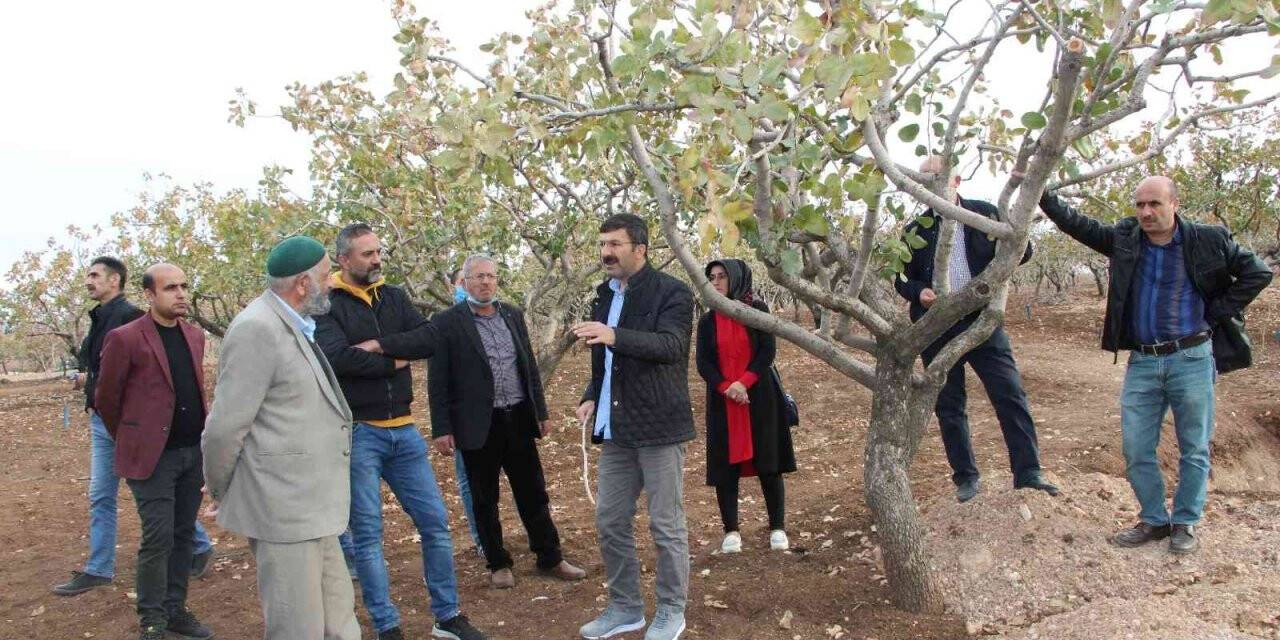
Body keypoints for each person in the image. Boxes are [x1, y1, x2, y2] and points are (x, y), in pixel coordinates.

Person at [1032, 174, 1273, 553]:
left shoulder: (1208, 239)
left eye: (1154, 204)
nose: (1146, 212)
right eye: (1140, 205)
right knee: (1136, 447)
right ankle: (1155, 520)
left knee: (1194, 446)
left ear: (1174, 204)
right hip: (1143, 361)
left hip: (1192, 357)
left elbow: (1258, 272)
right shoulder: (1126, 240)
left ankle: (1186, 522)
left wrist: (1216, 313)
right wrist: (1041, 193)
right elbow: (1078, 225)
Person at [314, 224, 487, 640]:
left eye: (378, 252)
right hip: (359, 432)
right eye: (367, 254)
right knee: (369, 535)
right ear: (344, 260)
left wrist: (377, 346)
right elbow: (336, 360)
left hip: (404, 430)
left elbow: (429, 338)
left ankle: (447, 616)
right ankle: (387, 626)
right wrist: (395, 357)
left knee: (436, 524)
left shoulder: (392, 295)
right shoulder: (326, 305)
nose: (376, 260)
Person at [202, 236, 360, 640]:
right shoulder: (256, 328)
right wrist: (222, 488)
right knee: (297, 626)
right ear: (303, 284)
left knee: (338, 621)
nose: (333, 283)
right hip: (282, 509)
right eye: (327, 276)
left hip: (314, 505)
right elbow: (224, 428)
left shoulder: (294, 323)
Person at [893, 157, 1059, 503]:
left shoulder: (983, 214)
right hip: (936, 327)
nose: (929, 186)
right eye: (923, 181)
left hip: (982, 323)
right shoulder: (915, 231)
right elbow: (902, 278)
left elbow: (1020, 250)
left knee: (1009, 393)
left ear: (955, 181)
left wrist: (1016, 240)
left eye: (936, 179)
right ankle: (966, 478)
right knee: (949, 405)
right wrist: (918, 291)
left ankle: (1028, 471)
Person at [53, 256, 214, 597]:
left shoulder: (134, 319)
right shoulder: (100, 320)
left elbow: (162, 384)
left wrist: (132, 431)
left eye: (95, 275)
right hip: (118, 425)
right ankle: (101, 569)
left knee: (162, 518)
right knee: (108, 497)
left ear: (116, 281)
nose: (89, 281)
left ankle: (194, 551)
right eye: (173, 287)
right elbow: (104, 385)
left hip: (145, 432)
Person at [428, 254, 587, 589]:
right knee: (484, 498)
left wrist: (540, 412)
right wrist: (442, 428)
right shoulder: (448, 323)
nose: (486, 282)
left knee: (533, 492)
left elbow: (528, 367)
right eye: (478, 277)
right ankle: (498, 561)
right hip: (476, 424)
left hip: (516, 417)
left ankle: (550, 556)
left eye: (491, 276)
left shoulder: (512, 315)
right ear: (465, 282)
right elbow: (437, 380)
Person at [573, 213, 694, 640]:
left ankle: (671, 610)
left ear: (640, 249)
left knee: (666, 524)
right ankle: (625, 608)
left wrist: (613, 335)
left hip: (660, 427)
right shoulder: (602, 295)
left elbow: (672, 346)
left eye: (615, 244)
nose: (606, 252)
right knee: (609, 520)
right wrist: (592, 393)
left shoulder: (673, 293)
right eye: (602, 243)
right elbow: (605, 360)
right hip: (618, 427)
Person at [95, 264, 212, 640]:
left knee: (182, 535)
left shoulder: (194, 336)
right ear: (149, 294)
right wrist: (133, 438)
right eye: (170, 288)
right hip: (152, 458)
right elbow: (107, 400)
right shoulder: (125, 338)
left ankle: (176, 609)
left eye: (184, 286)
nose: (180, 294)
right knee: (158, 537)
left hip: (192, 453)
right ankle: (152, 619)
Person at [695, 259, 796, 554]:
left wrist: (744, 383)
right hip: (724, 401)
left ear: (737, 278)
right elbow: (703, 363)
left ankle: (777, 526)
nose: (715, 282)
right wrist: (727, 387)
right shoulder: (707, 321)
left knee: (769, 462)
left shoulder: (757, 311)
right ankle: (731, 531)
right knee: (726, 466)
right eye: (711, 277)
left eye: (722, 276)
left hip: (759, 396)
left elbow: (767, 351)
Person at [448, 266, 484, 556]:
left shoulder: (495, 316)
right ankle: (482, 538)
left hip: (498, 416)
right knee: (470, 481)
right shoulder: (449, 324)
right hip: (466, 418)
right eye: (462, 282)